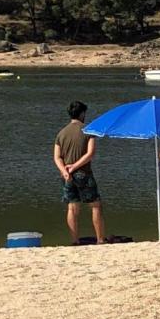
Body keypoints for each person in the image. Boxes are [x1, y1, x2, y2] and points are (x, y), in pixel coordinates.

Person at [53, 101, 105, 244]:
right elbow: (90, 153)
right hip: (84, 173)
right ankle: (100, 239)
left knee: (72, 207)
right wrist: (75, 167)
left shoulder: (61, 133)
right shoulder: (88, 131)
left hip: (67, 176)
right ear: (82, 113)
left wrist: (64, 171)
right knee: (95, 205)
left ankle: (75, 241)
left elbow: (57, 157)